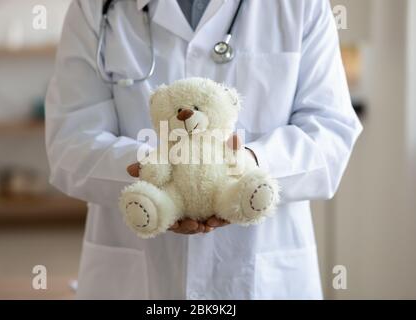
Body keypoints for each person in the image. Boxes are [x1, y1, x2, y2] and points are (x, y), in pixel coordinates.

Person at [45, 0, 362, 299]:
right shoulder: (96, 8)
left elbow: (330, 132)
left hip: (263, 274)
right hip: (133, 277)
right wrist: (161, 180)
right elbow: (70, 140)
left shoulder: (300, 6)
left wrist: (243, 167)